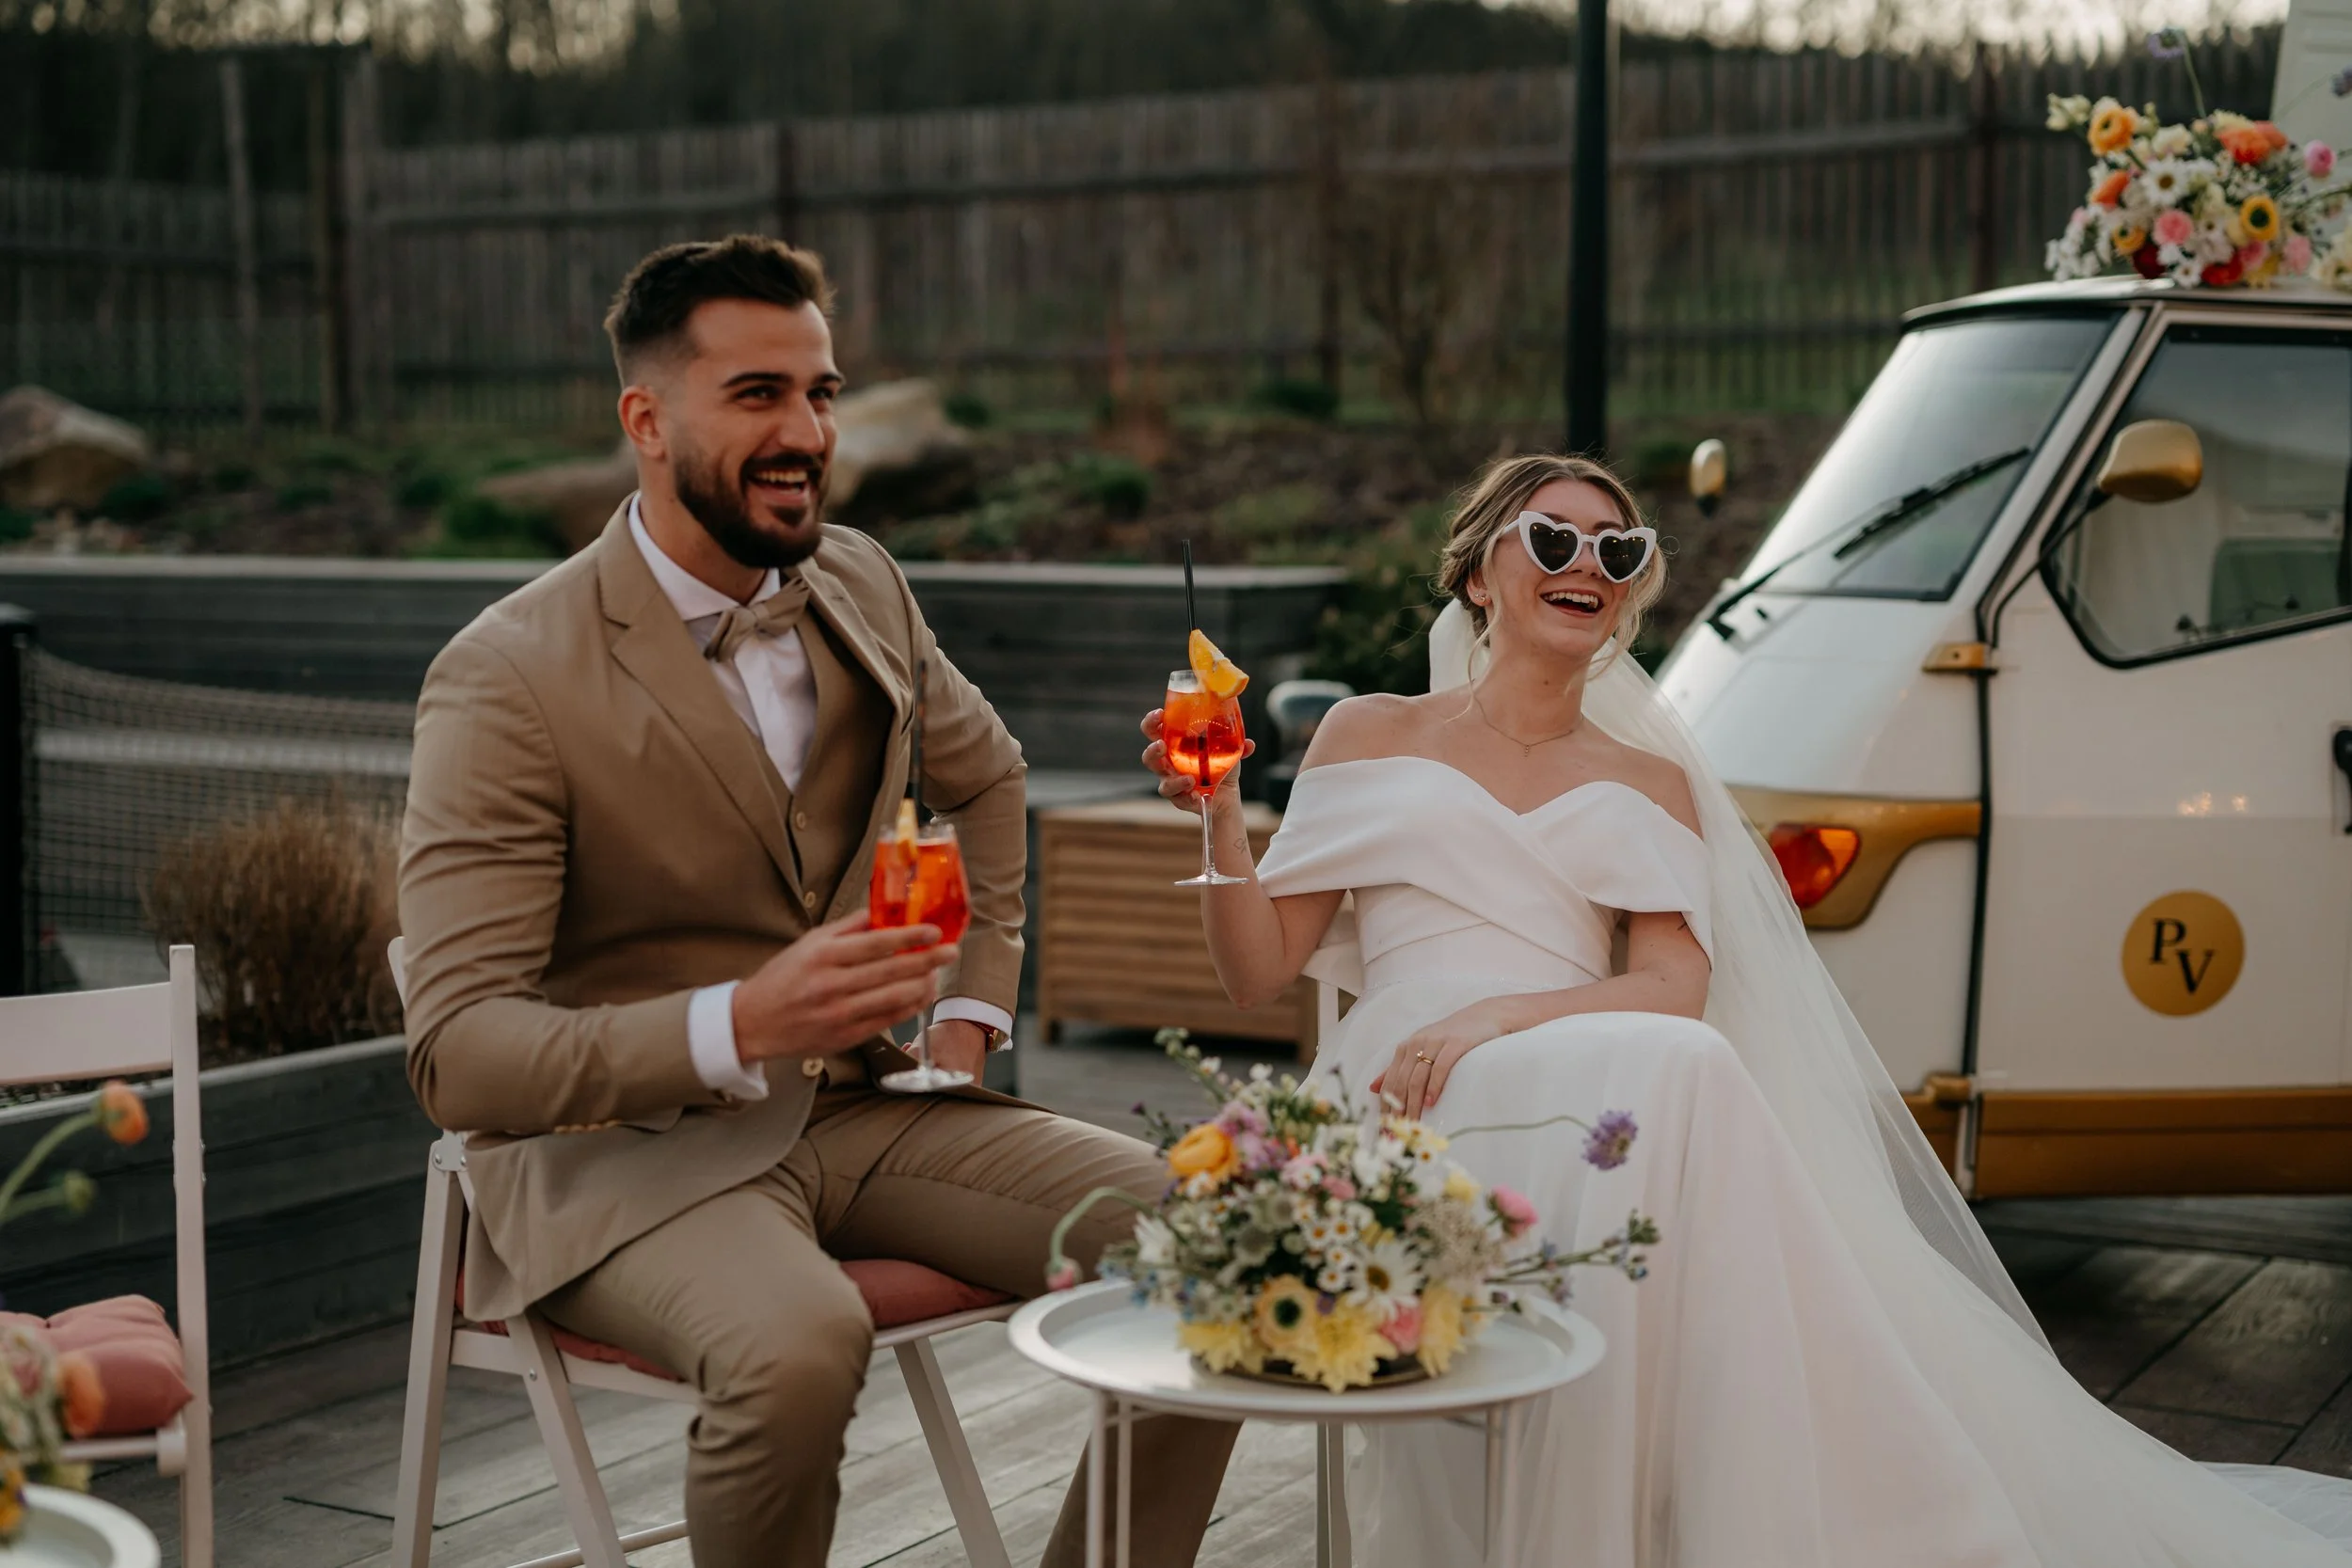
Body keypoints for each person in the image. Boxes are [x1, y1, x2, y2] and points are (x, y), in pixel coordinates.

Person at [1142, 451, 2352, 1565]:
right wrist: (1216, 814)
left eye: (1617, 554)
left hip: (1575, 1055)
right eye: (1552, 540)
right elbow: (1255, 973)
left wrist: (1498, 1016)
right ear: (1476, 573)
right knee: (1682, 1075)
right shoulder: (1366, 731)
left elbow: (1676, 988)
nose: (1587, 568)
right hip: (1399, 1090)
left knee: (1686, 1065)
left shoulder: (1649, 779)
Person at [400, 234, 1235, 1568]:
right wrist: (733, 1016)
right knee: (799, 1341)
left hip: (862, 1106)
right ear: (646, 419)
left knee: (1217, 1241)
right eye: (757, 396)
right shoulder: (506, 675)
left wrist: (973, 1001)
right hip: (627, 1155)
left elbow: (995, 779)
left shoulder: (862, 580)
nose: (805, 432)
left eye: (822, 392)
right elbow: (458, 1054)